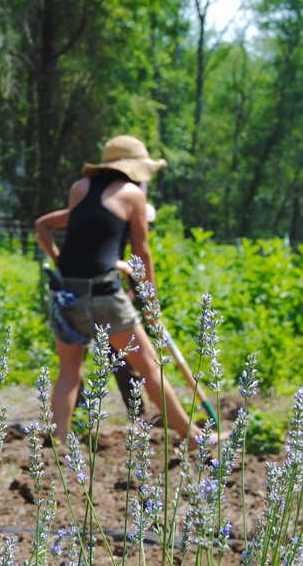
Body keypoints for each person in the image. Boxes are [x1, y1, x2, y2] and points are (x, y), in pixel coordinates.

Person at [35, 135, 212, 447]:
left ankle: (58, 446)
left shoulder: (79, 188)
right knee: (149, 366)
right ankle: (193, 436)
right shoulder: (132, 195)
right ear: (136, 169)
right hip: (104, 295)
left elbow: (81, 233)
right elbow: (141, 253)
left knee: (69, 373)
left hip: (66, 293)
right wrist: (151, 303)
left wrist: (60, 262)